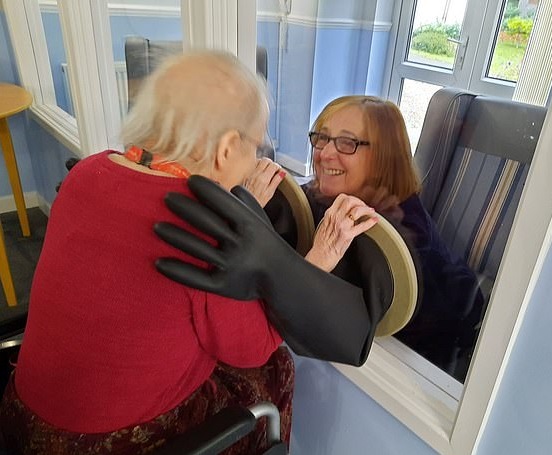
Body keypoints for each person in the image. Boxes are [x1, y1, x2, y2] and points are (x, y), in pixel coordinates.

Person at [0, 51, 378, 455]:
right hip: (109, 444)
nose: (255, 160)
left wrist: (243, 203)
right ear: (227, 148)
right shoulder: (202, 226)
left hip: (23, 417)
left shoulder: (87, 172)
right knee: (274, 367)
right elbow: (250, 349)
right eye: (255, 147)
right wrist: (318, 261)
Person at [302, 95, 485, 380]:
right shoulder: (331, 195)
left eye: (347, 143)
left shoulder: (404, 237)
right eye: (322, 138)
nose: (325, 153)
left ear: (382, 158)